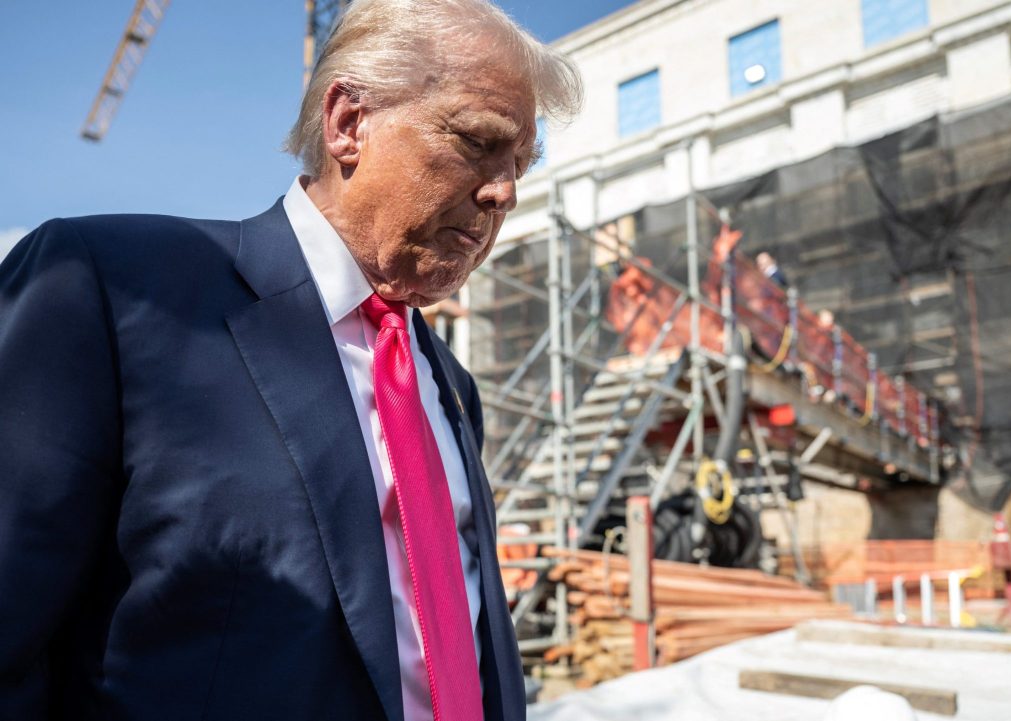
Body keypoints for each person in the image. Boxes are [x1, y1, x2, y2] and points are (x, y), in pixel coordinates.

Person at [0, 1, 581, 719]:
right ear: (348, 124)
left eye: (520, 165)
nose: (504, 193)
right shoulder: (112, 292)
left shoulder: (450, 386)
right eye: (476, 142)